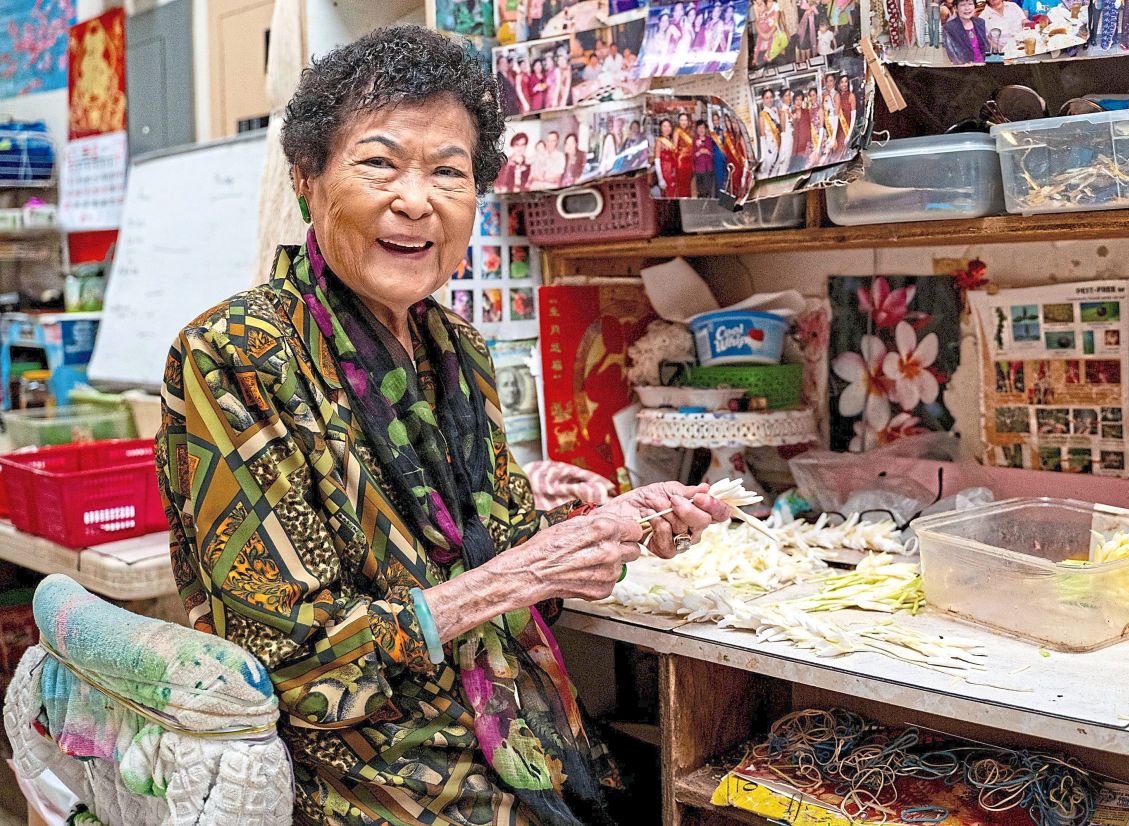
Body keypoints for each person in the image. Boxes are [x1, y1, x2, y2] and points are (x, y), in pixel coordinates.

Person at [158, 25, 730, 826]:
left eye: (448, 172)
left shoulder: (455, 348)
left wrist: (608, 528)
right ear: (307, 180)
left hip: (523, 728)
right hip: (375, 779)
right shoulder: (238, 357)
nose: (416, 200)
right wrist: (532, 571)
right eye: (379, 162)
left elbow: (492, 553)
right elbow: (295, 665)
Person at [757, 88, 780, 177]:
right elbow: (762, 137)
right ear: (763, 100)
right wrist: (763, 157)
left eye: (771, 97)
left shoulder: (775, 111)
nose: (769, 100)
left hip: (778, 147)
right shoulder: (762, 116)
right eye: (767, 98)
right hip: (770, 150)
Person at [655, 117, 680, 195]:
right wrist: (660, 178)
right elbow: (657, 160)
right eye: (664, 126)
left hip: (673, 171)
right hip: (665, 172)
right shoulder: (659, 141)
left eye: (669, 126)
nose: (667, 128)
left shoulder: (671, 140)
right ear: (661, 128)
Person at [673, 112, 695, 198]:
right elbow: (674, 148)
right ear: (679, 121)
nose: (684, 122)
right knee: (682, 185)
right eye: (681, 120)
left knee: (688, 184)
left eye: (685, 120)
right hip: (681, 162)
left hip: (689, 161)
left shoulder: (689, 132)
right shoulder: (677, 131)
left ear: (688, 121)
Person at [691, 119, 715, 197]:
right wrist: (699, 152)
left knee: (709, 191)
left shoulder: (709, 139)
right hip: (698, 170)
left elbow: (713, 155)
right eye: (699, 127)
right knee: (700, 192)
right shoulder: (694, 140)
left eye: (703, 127)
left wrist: (707, 152)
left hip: (709, 169)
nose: (701, 129)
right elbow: (692, 156)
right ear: (697, 129)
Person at [775, 88, 795, 176]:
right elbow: (783, 132)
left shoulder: (789, 110)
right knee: (784, 167)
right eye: (786, 96)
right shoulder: (783, 112)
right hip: (787, 142)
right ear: (782, 98)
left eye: (789, 95)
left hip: (791, 140)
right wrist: (784, 148)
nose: (789, 97)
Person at [709, 111, 729, 195]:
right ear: (712, 121)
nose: (716, 121)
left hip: (724, 157)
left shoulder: (724, 132)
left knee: (726, 178)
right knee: (719, 178)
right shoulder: (711, 133)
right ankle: (720, 196)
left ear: (719, 120)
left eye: (717, 119)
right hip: (716, 159)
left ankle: (726, 196)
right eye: (714, 120)